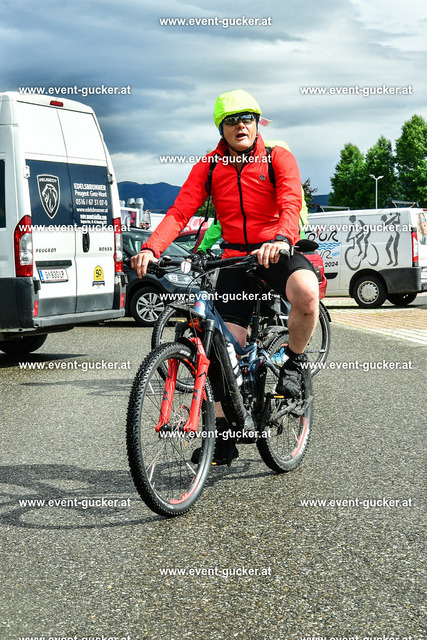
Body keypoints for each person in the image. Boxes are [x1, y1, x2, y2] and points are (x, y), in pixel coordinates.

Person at [131, 89, 319, 464]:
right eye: (232, 120)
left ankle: (295, 363)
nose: (240, 125)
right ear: (222, 128)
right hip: (235, 260)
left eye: (247, 118)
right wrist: (152, 248)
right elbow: (180, 210)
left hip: (275, 251)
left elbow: (290, 201)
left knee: (307, 293)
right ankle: (224, 435)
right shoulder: (210, 166)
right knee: (222, 350)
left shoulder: (277, 157)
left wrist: (282, 240)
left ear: (257, 122)